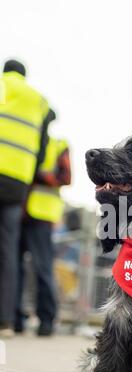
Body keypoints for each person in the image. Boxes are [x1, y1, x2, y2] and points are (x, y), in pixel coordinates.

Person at [0, 59, 50, 338]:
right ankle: (5, 321)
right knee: (8, 251)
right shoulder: (38, 100)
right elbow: (41, 149)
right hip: (18, 182)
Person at [15, 118, 71, 336]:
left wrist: (38, 175)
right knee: (14, 268)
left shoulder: (58, 144)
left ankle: (47, 320)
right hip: (18, 213)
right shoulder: (24, 143)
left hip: (41, 215)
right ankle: (16, 318)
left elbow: (65, 177)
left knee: (42, 268)